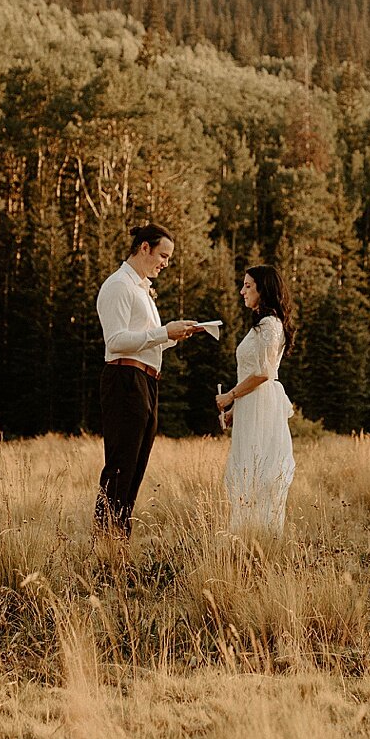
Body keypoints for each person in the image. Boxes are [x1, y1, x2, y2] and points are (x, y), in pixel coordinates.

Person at [94, 223, 205, 537]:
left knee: (135, 469)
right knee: (120, 468)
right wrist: (162, 332)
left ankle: (118, 543)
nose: (165, 263)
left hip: (145, 382)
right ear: (144, 247)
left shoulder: (142, 290)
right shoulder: (118, 286)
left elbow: (146, 339)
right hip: (124, 379)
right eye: (163, 255)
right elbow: (115, 341)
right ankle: (105, 543)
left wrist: (174, 335)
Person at [215, 265, 296, 537]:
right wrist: (235, 410)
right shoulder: (261, 325)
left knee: (259, 469)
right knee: (247, 467)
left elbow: (263, 372)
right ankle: (247, 534)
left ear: (264, 289)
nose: (242, 291)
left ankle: (262, 538)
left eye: (248, 286)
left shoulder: (270, 325)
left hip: (263, 405)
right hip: (251, 405)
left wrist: (230, 395)